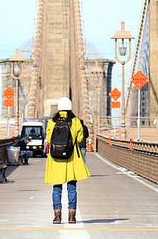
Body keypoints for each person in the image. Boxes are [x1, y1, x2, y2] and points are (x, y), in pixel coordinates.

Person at [45, 96, 90, 224]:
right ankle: (72, 215)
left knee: (57, 188)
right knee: (71, 188)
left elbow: (49, 139)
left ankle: (57, 215)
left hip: (56, 160)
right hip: (71, 160)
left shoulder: (51, 122)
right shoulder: (75, 121)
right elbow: (80, 138)